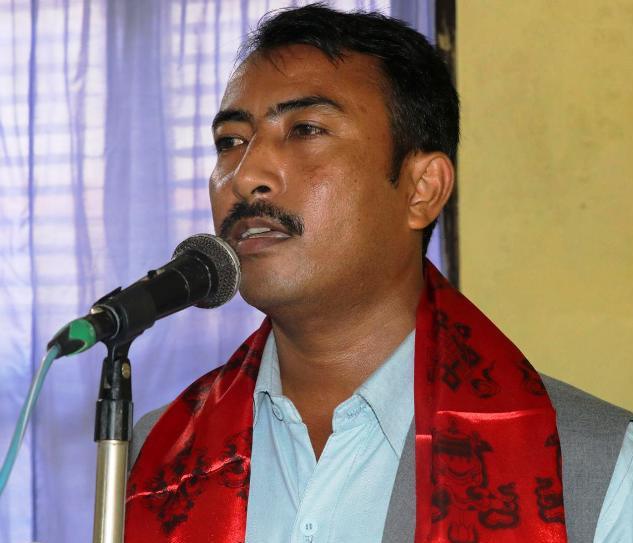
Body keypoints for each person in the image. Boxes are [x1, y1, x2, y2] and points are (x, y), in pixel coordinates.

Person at [124, 5, 632, 542]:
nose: (246, 175)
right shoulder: (158, 455)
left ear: (421, 190)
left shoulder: (597, 470)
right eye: (231, 141)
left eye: (306, 129)